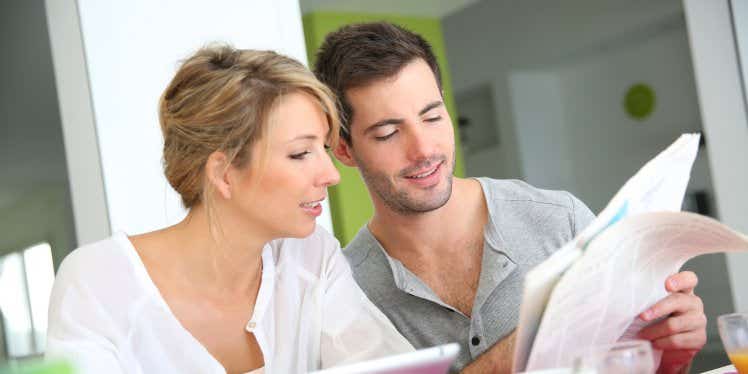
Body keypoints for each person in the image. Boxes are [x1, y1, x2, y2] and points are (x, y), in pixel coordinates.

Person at [314, 22, 706, 373]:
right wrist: (533, 344)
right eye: (388, 133)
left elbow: (637, 363)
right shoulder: (346, 289)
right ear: (344, 150)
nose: (423, 149)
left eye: (432, 117)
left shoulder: (561, 220)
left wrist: (673, 349)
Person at [46, 45, 412, 374]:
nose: (331, 176)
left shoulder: (312, 257)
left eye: (325, 150)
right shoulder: (98, 281)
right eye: (301, 153)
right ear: (224, 173)